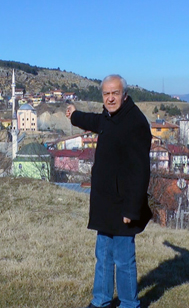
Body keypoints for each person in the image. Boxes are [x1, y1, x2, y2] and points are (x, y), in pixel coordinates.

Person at [65, 74, 152, 308]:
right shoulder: (109, 116)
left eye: (115, 93)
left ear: (124, 94)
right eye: (106, 94)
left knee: (124, 259)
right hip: (105, 203)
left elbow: (140, 171)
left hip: (124, 203)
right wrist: (74, 115)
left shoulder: (135, 122)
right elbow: (93, 121)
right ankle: (101, 300)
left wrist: (132, 209)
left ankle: (128, 304)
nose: (110, 98)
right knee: (103, 255)